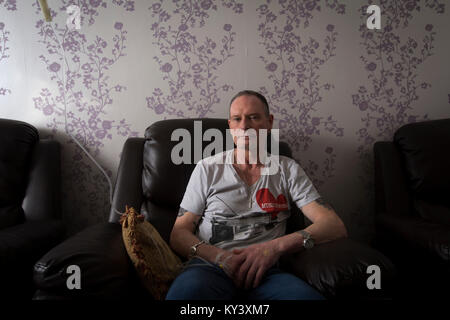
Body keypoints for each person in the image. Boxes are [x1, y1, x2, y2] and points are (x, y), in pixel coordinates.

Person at [166, 90, 348, 300]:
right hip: (209, 268)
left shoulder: (287, 169)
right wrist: (220, 258)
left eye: (253, 117)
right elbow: (179, 233)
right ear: (230, 126)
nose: (244, 126)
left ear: (269, 122)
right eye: (237, 119)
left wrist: (274, 248)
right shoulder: (207, 168)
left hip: (268, 272)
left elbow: (334, 225)